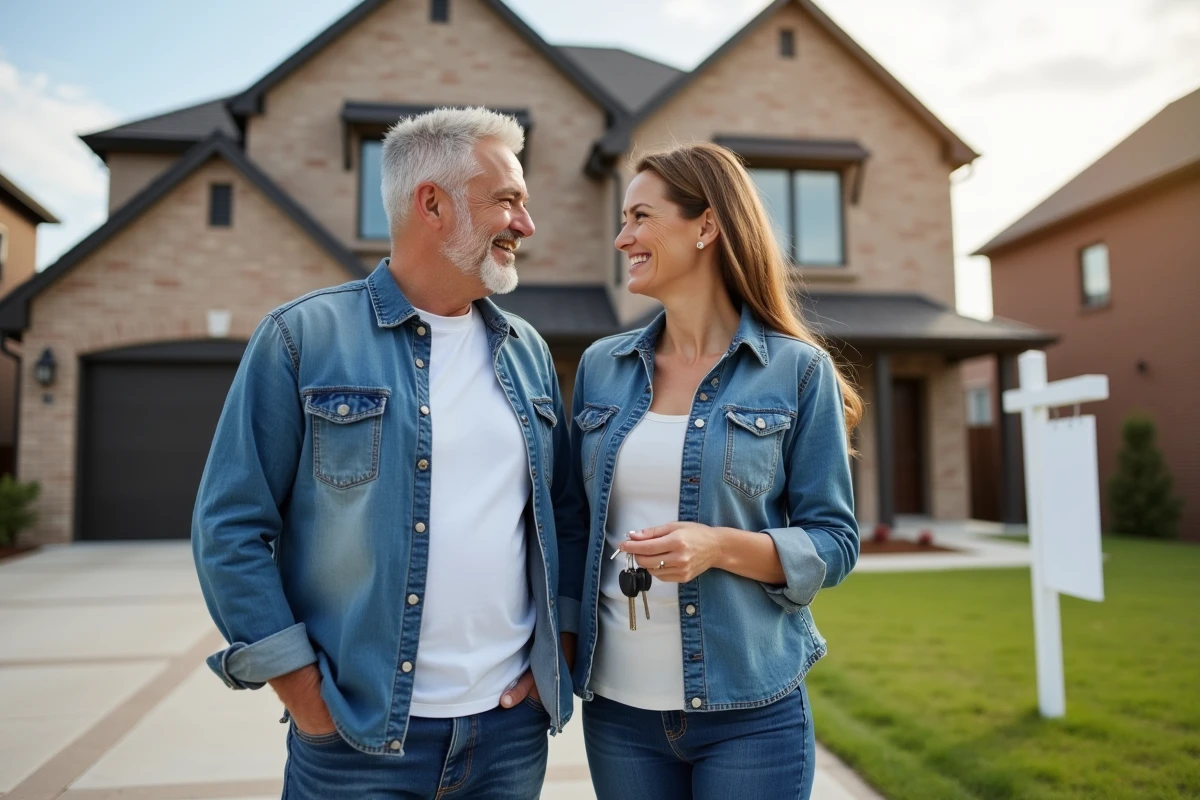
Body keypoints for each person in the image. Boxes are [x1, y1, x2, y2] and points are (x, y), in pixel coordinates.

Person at [192, 107, 576, 799]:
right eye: (508, 201)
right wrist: (305, 695)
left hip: (508, 736)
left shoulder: (529, 353)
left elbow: (564, 515)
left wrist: (561, 651)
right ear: (432, 203)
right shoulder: (301, 338)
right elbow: (229, 528)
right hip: (356, 740)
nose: (526, 225)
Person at [558, 142, 862, 800]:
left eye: (640, 216)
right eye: (623, 220)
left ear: (706, 226)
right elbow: (573, 525)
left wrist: (717, 546)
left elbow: (834, 543)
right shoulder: (601, 367)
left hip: (751, 713)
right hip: (619, 712)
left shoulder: (795, 371)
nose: (622, 237)